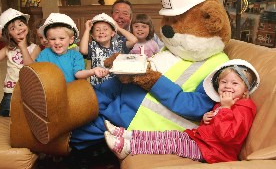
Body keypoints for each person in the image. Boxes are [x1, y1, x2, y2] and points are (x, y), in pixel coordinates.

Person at [104, 59, 260, 163]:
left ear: (246, 90)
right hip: (201, 140)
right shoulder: (224, 102)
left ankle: (127, 147)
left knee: (171, 145)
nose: (227, 86)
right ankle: (127, 135)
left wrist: (225, 108)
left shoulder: (244, 108)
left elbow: (227, 135)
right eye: (224, 82)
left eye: (234, 83)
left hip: (214, 153)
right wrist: (208, 118)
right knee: (169, 135)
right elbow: (217, 124)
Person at [0, 8, 41, 117]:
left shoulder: (35, 48)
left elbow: (30, 66)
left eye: (21, 24)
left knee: (28, 115)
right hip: (10, 90)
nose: (19, 29)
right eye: (13, 28)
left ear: (26, 26)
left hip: (28, 89)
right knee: (8, 116)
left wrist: (23, 47)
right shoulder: (8, 48)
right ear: (9, 34)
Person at [36, 13, 109, 83]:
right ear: (48, 40)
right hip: (51, 91)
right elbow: (38, 72)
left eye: (61, 38)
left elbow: (78, 74)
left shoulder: (76, 56)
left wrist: (92, 71)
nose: (57, 42)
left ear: (71, 39)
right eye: (52, 39)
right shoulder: (44, 54)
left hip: (71, 90)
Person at [79, 12, 138, 85]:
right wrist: (87, 30)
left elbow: (134, 40)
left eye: (105, 29)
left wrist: (118, 28)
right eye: (97, 30)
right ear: (93, 36)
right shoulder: (93, 46)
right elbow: (83, 50)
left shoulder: (119, 44)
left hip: (118, 84)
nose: (101, 32)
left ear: (112, 33)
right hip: (99, 86)